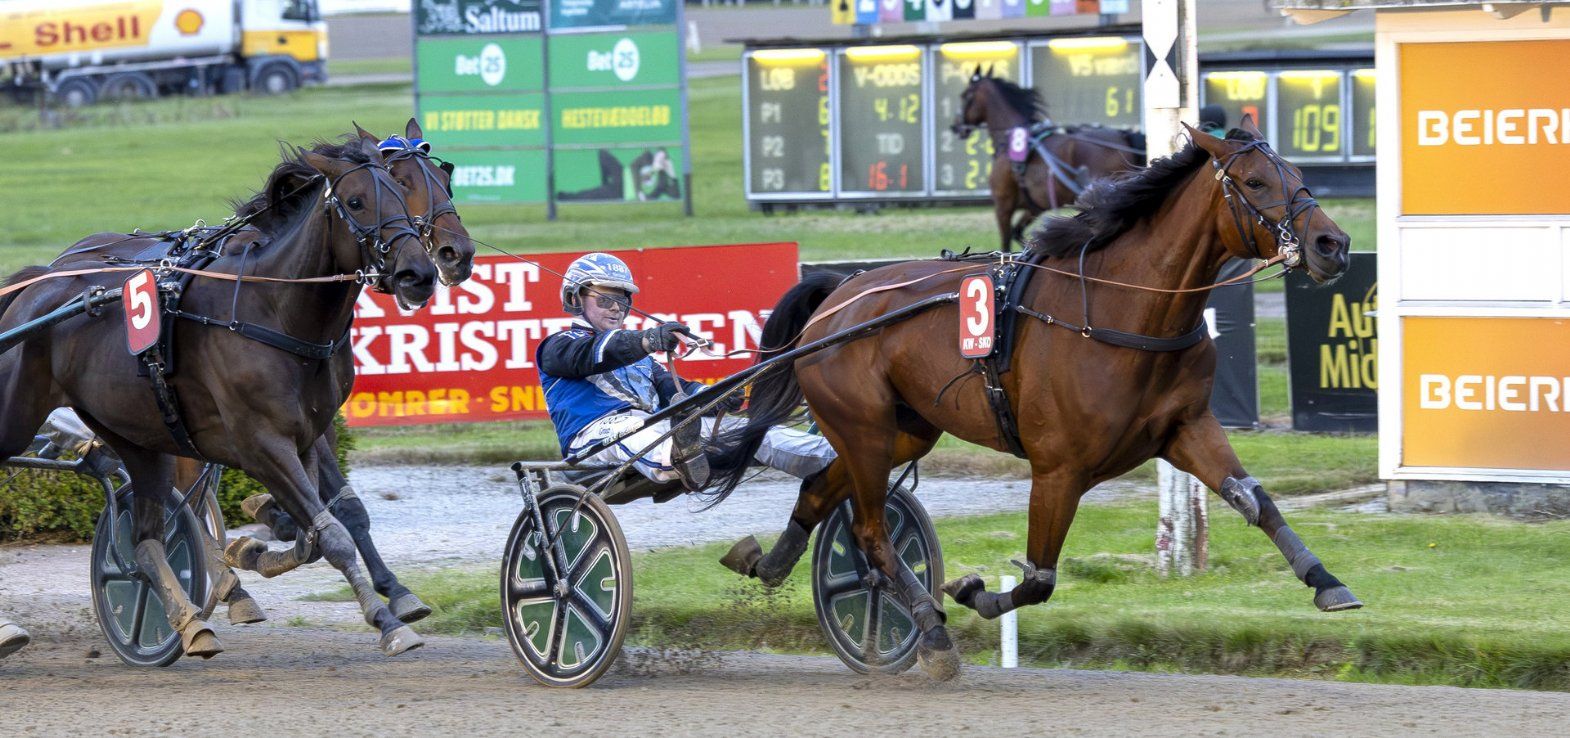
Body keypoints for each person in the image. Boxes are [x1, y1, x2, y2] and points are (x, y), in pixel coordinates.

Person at [537, 253, 835, 491]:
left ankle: (835, 459)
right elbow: (596, 354)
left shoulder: (642, 361)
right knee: (634, 431)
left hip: (658, 428)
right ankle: (679, 456)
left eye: (623, 300)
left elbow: (676, 390)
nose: (616, 309)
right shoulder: (558, 346)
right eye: (605, 299)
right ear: (575, 298)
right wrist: (648, 339)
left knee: (758, 432)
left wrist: (717, 396)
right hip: (593, 439)